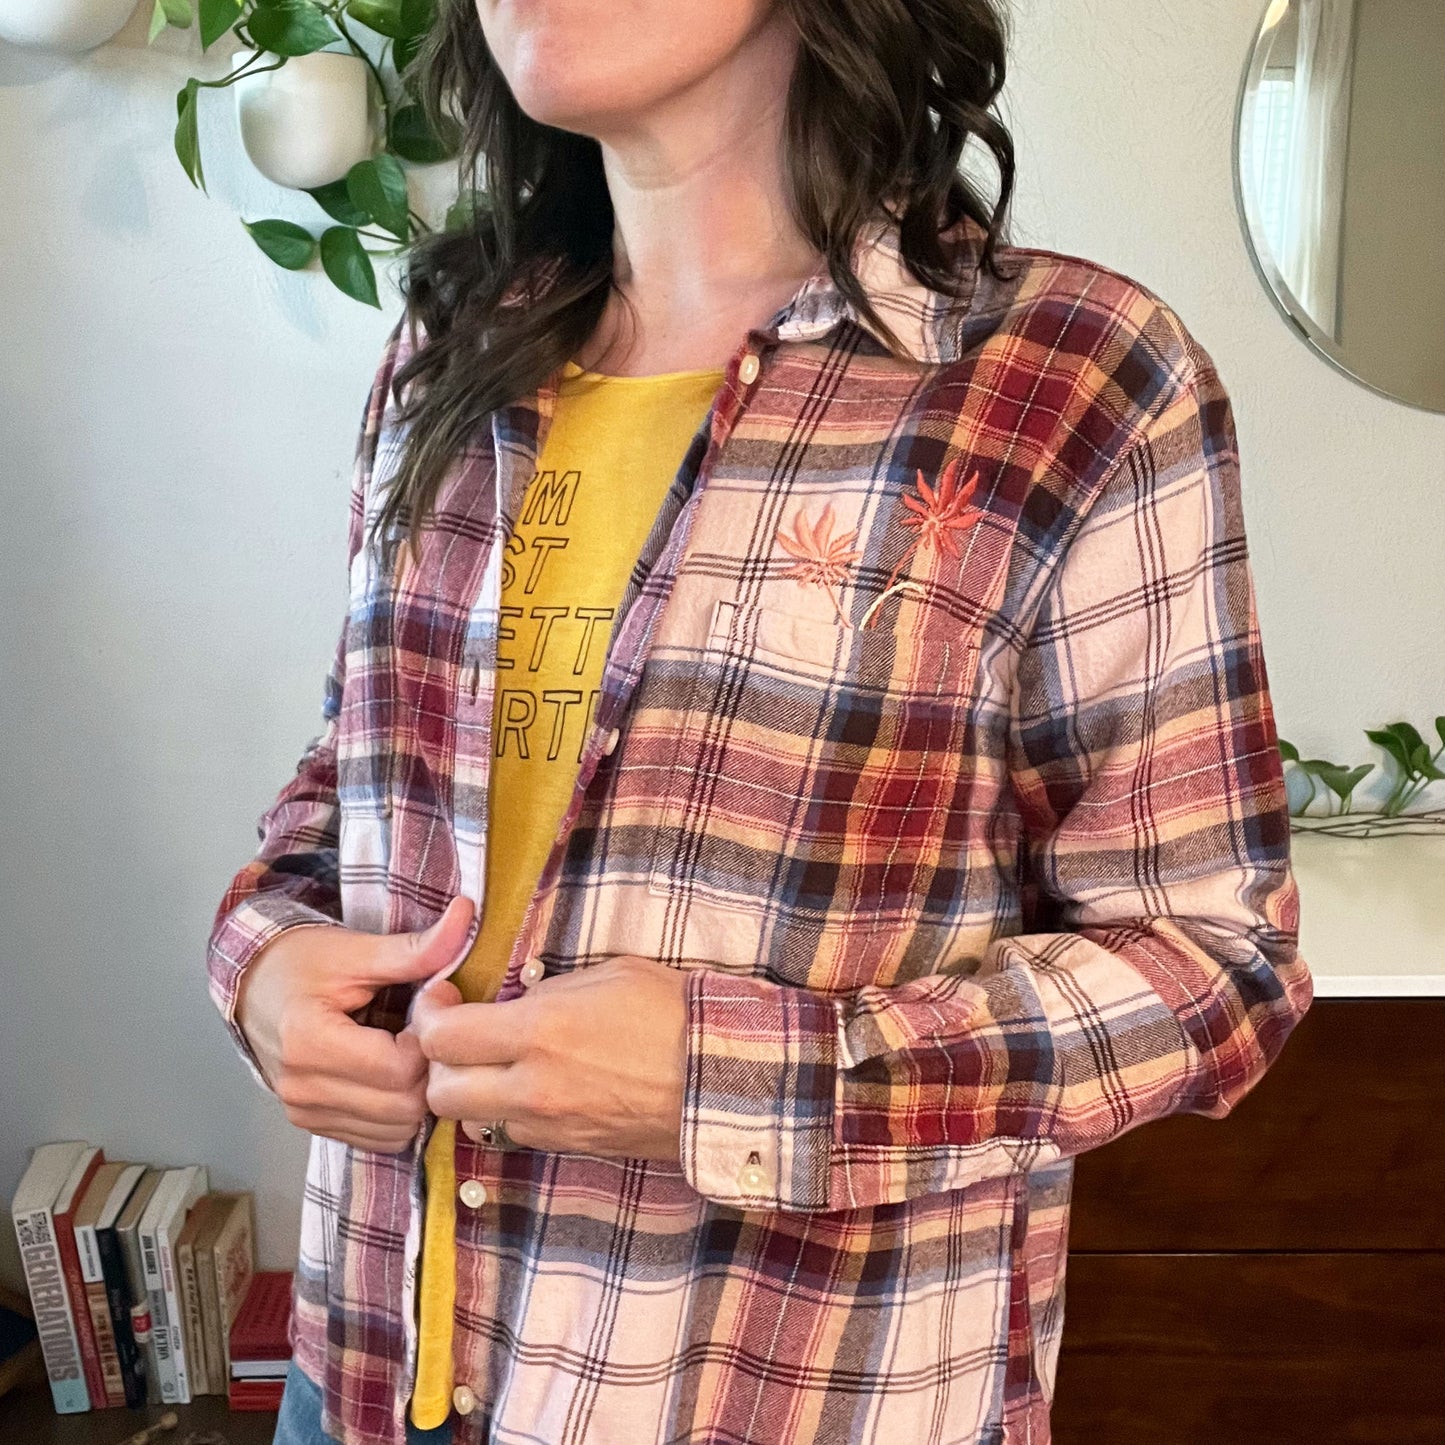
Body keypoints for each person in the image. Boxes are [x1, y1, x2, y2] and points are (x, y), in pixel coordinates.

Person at [207, 0, 1316, 1441]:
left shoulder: (1071, 384)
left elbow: (1211, 966)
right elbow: (344, 788)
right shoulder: (449, 351)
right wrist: (264, 965)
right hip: (359, 1376)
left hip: (788, 1398)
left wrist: (729, 1079)